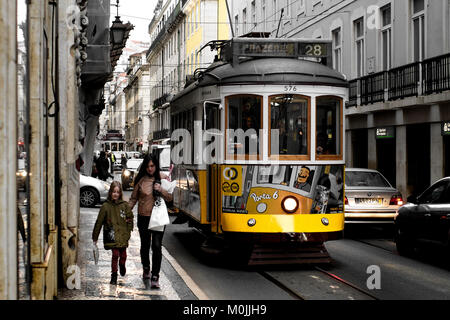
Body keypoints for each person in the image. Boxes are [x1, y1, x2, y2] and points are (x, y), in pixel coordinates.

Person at [128, 153, 171, 288]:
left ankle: (155, 276)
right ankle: (146, 267)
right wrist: (124, 212)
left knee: (157, 246)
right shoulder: (140, 180)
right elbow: (133, 198)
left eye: (152, 166)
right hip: (144, 218)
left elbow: (170, 198)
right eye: (147, 166)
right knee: (145, 245)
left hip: (158, 218)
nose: (150, 169)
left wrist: (161, 190)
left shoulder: (163, 179)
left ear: (156, 166)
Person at [92, 181, 133, 285]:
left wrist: (128, 231)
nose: (115, 194)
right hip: (112, 235)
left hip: (123, 235)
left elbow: (130, 218)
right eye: (114, 192)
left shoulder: (125, 205)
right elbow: (99, 222)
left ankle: (122, 265)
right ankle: (114, 275)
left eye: (118, 192)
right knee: (115, 254)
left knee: (123, 255)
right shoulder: (105, 206)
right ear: (110, 192)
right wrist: (95, 237)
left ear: (120, 194)